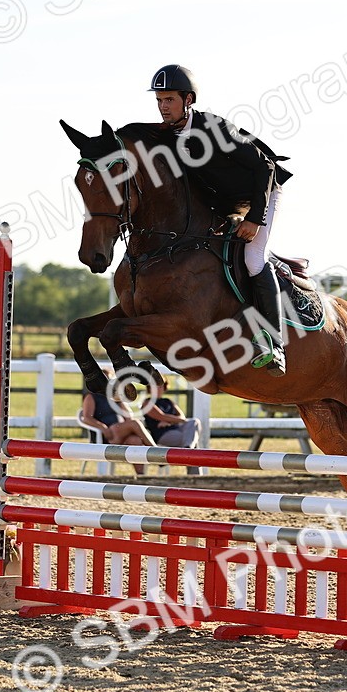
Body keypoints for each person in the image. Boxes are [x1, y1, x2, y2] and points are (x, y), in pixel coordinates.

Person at [149, 64, 293, 377]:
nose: (163, 106)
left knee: (253, 258)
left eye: (169, 99)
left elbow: (264, 168)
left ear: (188, 99)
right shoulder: (164, 136)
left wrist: (255, 219)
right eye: (159, 100)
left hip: (262, 191)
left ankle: (275, 344)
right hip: (226, 201)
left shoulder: (213, 128)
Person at [81, 387, 157, 475]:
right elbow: (87, 418)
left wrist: (121, 400)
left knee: (135, 440)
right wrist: (103, 428)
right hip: (106, 434)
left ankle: (140, 475)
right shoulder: (92, 396)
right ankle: (155, 452)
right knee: (135, 423)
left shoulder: (115, 397)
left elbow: (129, 416)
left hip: (120, 433)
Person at [142, 377, 203, 475]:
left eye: (160, 386)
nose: (158, 389)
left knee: (194, 422)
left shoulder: (168, 401)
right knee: (193, 443)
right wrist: (172, 419)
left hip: (177, 430)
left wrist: (170, 422)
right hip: (163, 435)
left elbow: (182, 417)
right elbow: (161, 416)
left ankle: (188, 449)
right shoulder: (147, 402)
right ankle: (195, 473)